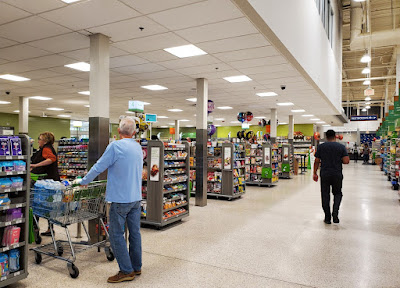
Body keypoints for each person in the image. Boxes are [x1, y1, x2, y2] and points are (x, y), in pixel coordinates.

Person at [80, 117, 143, 284]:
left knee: (115, 235)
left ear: (118, 131)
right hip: (136, 198)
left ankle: (126, 270)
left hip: (120, 199)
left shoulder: (116, 146)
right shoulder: (137, 147)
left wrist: (84, 181)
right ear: (134, 132)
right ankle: (136, 266)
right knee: (135, 234)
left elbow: (99, 165)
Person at [313, 130, 350, 224]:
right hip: (337, 174)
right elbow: (346, 161)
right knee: (337, 193)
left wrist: (314, 173)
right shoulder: (341, 147)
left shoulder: (321, 147)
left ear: (326, 137)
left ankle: (327, 217)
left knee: (325, 195)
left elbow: (317, 160)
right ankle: (335, 213)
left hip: (325, 174)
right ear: (335, 136)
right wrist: (338, 160)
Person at [30, 131, 60, 236]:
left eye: (40, 138)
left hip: (45, 183)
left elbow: (51, 159)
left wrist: (35, 165)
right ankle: (49, 229)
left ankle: (35, 229)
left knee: (37, 204)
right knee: (47, 206)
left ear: (45, 140)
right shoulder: (48, 148)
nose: (38, 141)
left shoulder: (46, 148)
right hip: (50, 182)